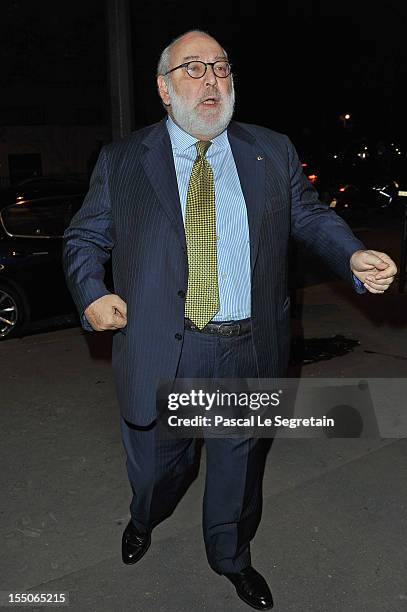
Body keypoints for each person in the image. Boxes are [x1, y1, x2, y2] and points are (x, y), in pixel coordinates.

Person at [63, 30, 397, 611]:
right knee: (159, 471)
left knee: (237, 471)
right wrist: (92, 292)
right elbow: (84, 237)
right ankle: (145, 515)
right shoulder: (123, 161)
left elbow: (310, 216)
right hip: (166, 352)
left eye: (220, 67)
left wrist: (349, 254)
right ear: (165, 90)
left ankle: (231, 558)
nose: (211, 78)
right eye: (193, 68)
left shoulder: (270, 149)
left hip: (246, 348)